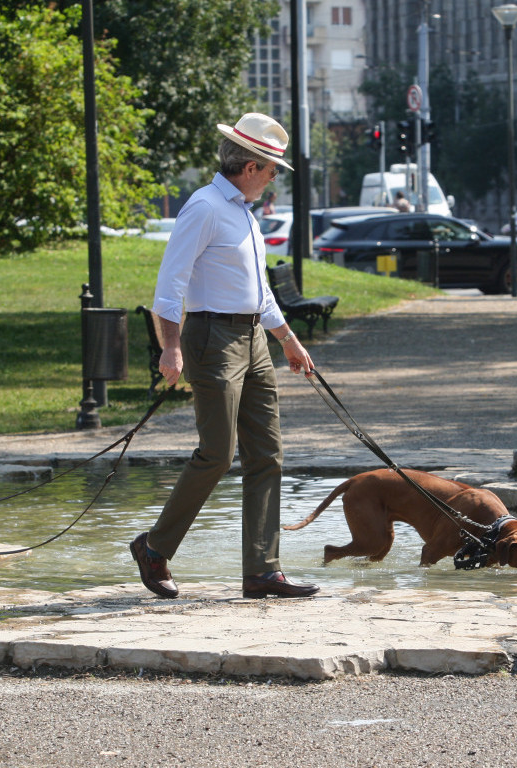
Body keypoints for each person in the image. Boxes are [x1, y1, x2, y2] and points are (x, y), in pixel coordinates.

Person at [131, 113, 319, 600]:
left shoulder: (243, 213)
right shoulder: (205, 207)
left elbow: (257, 292)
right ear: (252, 165)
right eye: (273, 169)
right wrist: (170, 346)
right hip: (211, 338)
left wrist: (288, 341)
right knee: (217, 453)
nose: (275, 177)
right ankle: (153, 548)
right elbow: (170, 284)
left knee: (267, 455)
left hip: (254, 339)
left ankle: (262, 571)